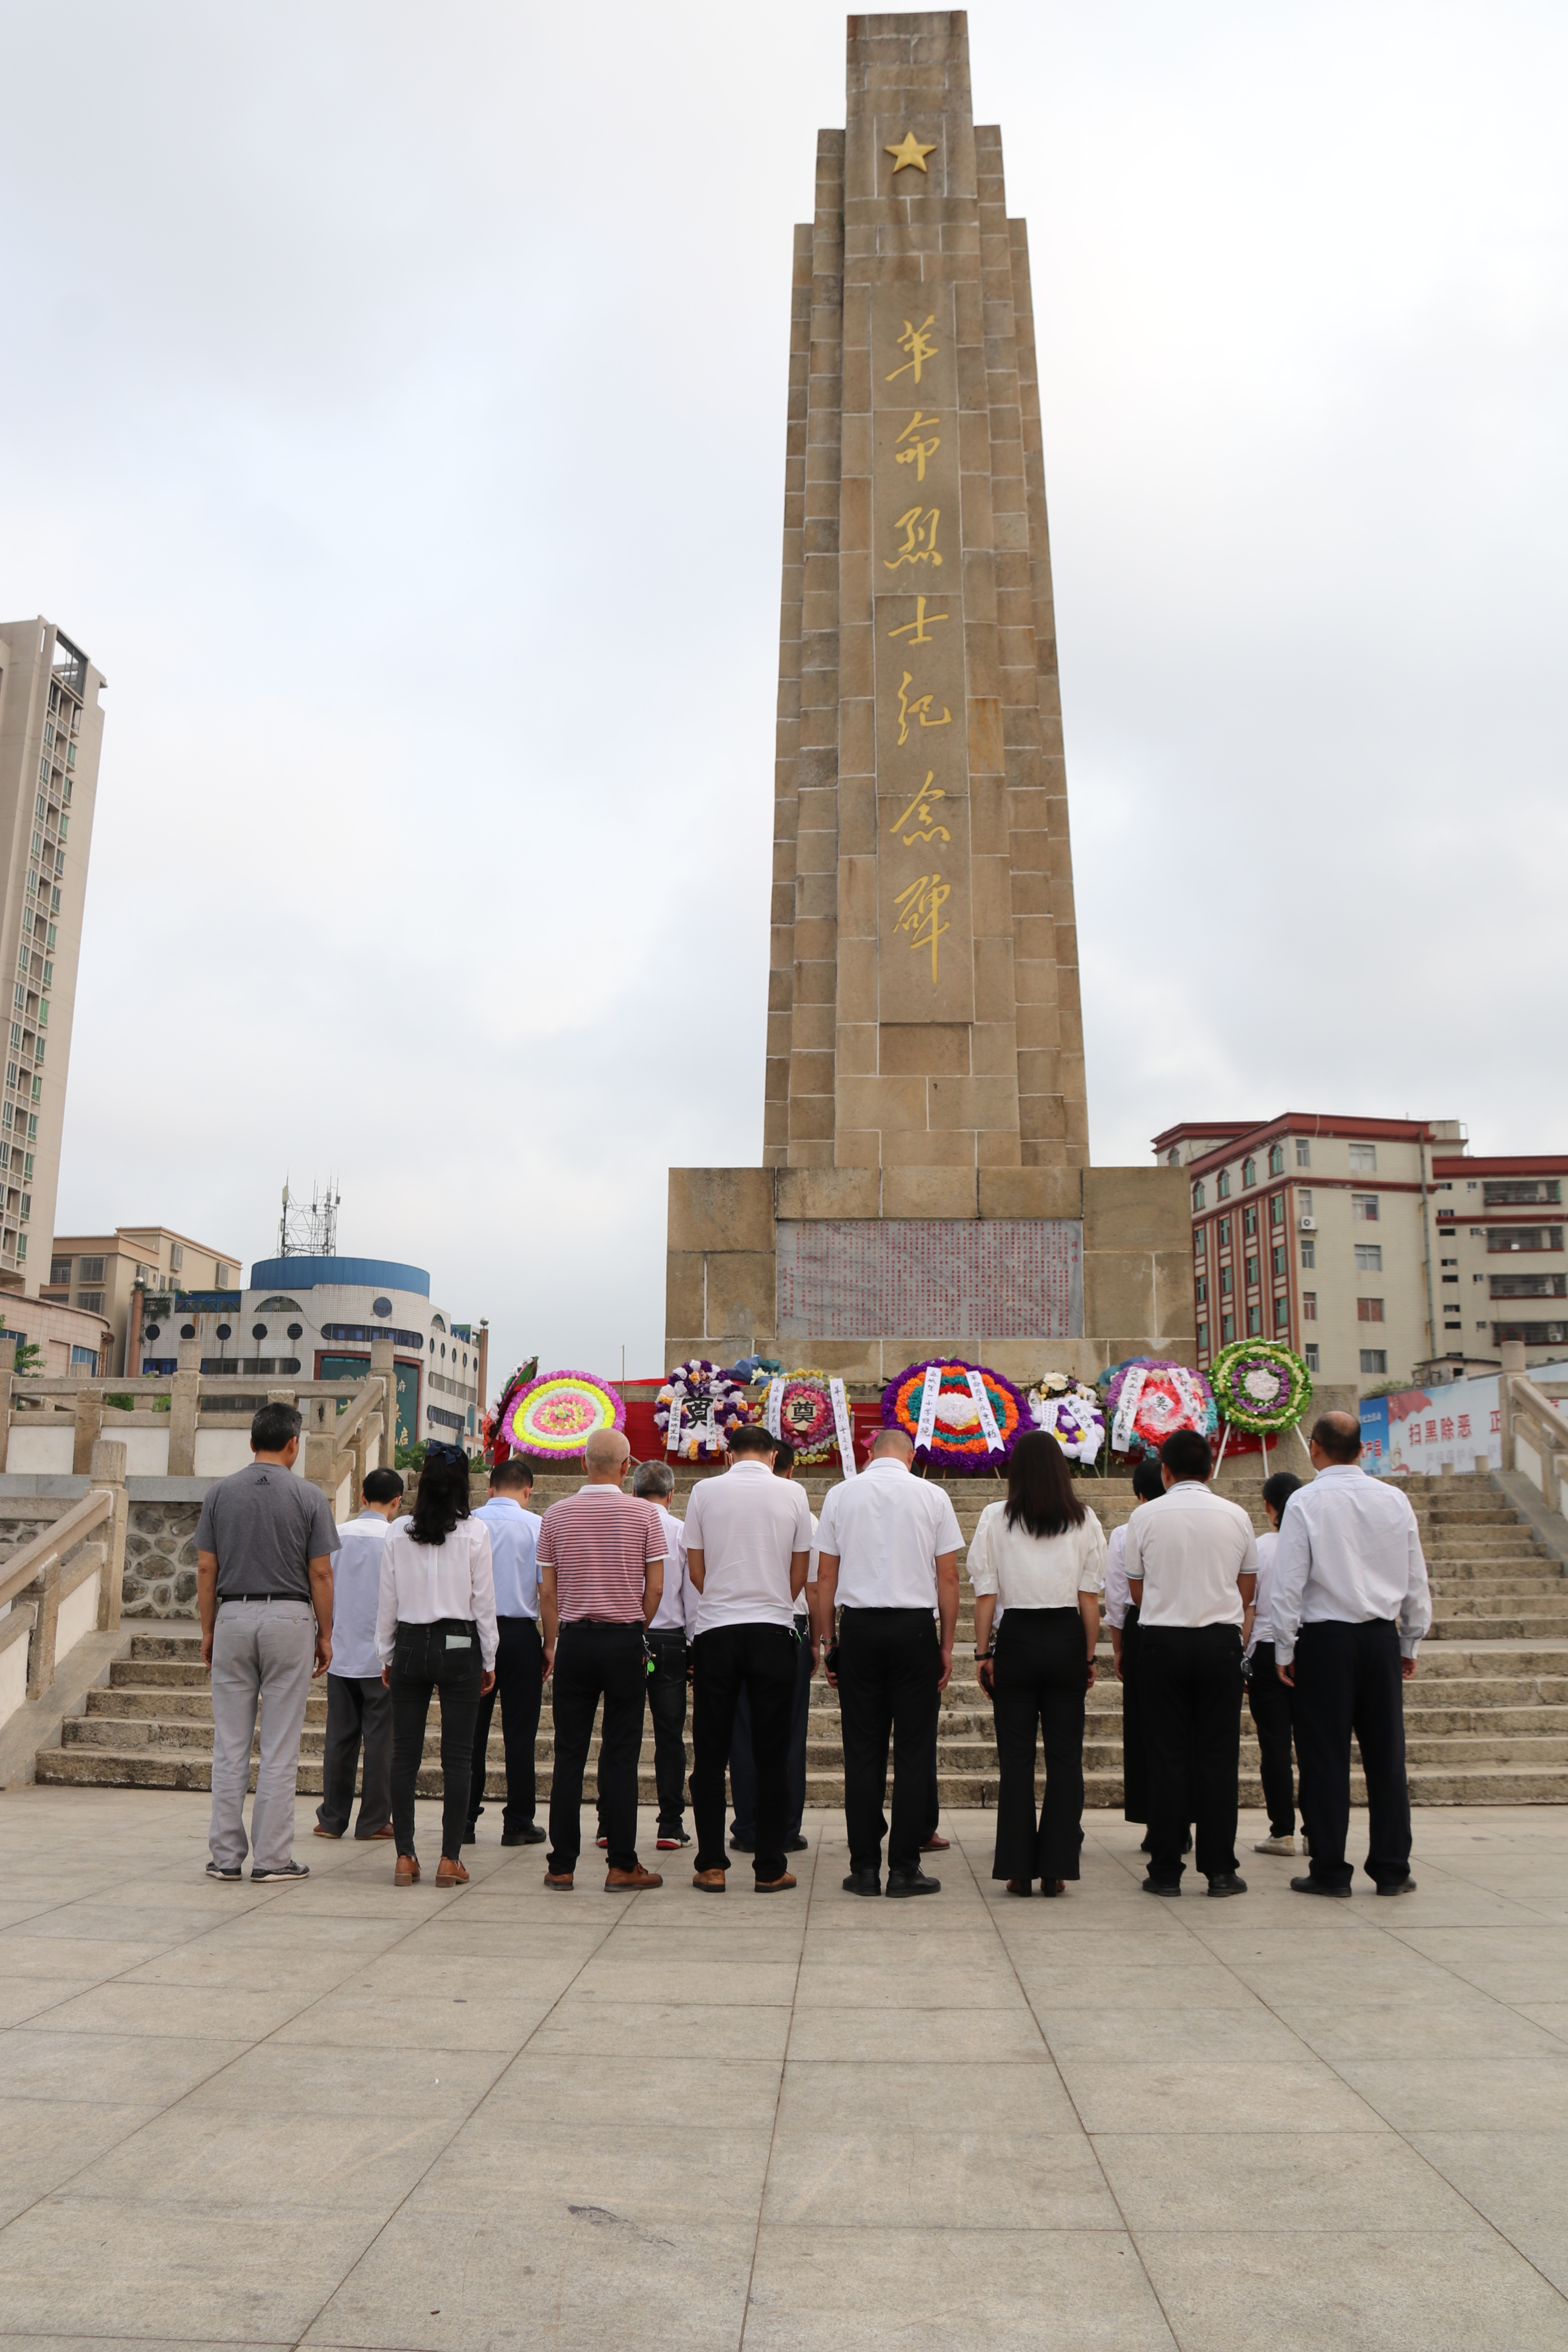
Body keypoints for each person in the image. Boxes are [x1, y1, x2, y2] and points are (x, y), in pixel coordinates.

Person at [1270, 1412, 1431, 1897]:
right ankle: (1390, 1868)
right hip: (1379, 1637)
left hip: (1325, 1641)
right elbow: (1414, 1577)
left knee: (1324, 1757)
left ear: (1315, 1447)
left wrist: (1283, 1646)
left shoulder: (1305, 1501)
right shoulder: (1394, 1499)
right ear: (1361, 1448)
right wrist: (1409, 1641)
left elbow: (1289, 1582)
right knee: (1386, 1756)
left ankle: (1330, 1870)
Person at [815, 1427, 961, 1898]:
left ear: (870, 1453)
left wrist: (829, 1642)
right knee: (914, 1752)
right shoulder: (932, 1495)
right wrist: (946, 1645)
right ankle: (904, 1868)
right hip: (915, 1630)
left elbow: (824, 1577)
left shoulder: (840, 1495)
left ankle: (863, 1869)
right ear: (911, 1456)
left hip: (859, 1630)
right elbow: (950, 1579)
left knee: (863, 1753)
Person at [197, 1402, 340, 1883]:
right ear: (293, 1443)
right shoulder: (309, 1496)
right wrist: (327, 1633)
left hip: (233, 1614)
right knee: (279, 1747)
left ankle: (225, 1857)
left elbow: (205, 1569)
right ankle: (274, 1859)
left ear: (252, 1441)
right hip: (290, 1616)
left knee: (230, 1745)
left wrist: (209, 1630)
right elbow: (320, 1571)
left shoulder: (220, 1493)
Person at [970, 1430, 1106, 1895]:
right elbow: (1090, 1599)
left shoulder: (995, 1517)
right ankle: (1057, 1868)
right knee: (1066, 1759)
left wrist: (983, 1652)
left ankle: (1017, 1868)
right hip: (1067, 1636)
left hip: (1018, 1640)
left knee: (1017, 1760)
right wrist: (1089, 1656)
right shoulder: (1084, 1519)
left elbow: (986, 1594)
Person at [1125, 1426, 1256, 1897]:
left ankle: (1164, 1870)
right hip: (1220, 1644)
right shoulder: (1237, 1515)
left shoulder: (1145, 1517)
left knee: (1166, 1757)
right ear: (1208, 1470)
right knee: (1218, 1758)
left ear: (1165, 1471)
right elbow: (1248, 1588)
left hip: (1161, 1644)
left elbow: (1136, 1591)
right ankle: (1220, 1870)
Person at [535, 1426, 667, 1892]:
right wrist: (639, 1626)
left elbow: (547, 1591)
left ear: (583, 1464)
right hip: (624, 1640)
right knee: (622, 1753)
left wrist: (552, 1642)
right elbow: (655, 1587)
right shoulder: (645, 1516)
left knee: (569, 1753)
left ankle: (561, 1864)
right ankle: (622, 1863)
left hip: (574, 1640)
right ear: (626, 1468)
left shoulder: (555, 1515)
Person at [685, 1423, 813, 1893]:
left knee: (711, 1753)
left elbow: (695, 1568)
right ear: (773, 1454)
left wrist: (723, 1598)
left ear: (728, 1453)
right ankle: (769, 1866)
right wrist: (774, 1601)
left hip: (716, 1630)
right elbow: (800, 1570)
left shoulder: (703, 1491)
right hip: (773, 1630)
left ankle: (712, 1864)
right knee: (771, 1754)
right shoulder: (793, 1494)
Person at [377, 1445, 497, 1888]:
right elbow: (484, 1601)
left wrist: (385, 1652)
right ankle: (450, 1858)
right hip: (460, 1641)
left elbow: (386, 1600)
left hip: (409, 1641)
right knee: (458, 1757)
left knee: (404, 1754)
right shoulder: (475, 1532)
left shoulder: (397, 1533)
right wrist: (490, 1656)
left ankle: (405, 1856)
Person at [728, 1438, 813, 1860]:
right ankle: (783, 1828)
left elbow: (697, 1568)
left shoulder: (719, 1499)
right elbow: (812, 1581)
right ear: (785, 1466)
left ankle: (747, 1825)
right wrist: (817, 1638)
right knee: (787, 1734)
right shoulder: (799, 1504)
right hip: (785, 1626)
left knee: (742, 1732)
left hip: (728, 1625)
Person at [314, 1466, 405, 1844]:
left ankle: (332, 1818)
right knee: (381, 1742)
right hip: (383, 1656)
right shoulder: (397, 1538)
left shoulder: (338, 1533)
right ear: (397, 1502)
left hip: (341, 1650)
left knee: (339, 1737)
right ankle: (373, 1821)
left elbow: (321, 1583)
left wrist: (324, 1635)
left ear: (362, 1498)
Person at [464, 1458, 546, 1847]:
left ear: (490, 1488)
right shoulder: (538, 1526)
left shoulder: (469, 1523)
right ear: (528, 1491)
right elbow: (548, 1591)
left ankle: (463, 1820)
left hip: (471, 1634)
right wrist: (551, 1643)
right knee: (520, 1733)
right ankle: (518, 1821)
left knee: (470, 1732)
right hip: (519, 1635)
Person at [1105, 1456, 1166, 1844]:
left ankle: (1154, 1822)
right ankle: (1185, 1818)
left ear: (1139, 1494)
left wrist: (1118, 1648)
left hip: (1143, 1629)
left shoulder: (1126, 1532)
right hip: (1198, 1625)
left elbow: (1116, 1595)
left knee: (1147, 1730)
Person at [1246, 1469, 1305, 1857]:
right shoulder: (1316, 1543)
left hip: (1267, 1650)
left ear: (1269, 1506)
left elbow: (1247, 1607)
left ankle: (1282, 1830)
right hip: (1311, 1648)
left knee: (1275, 1747)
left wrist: (1244, 1655)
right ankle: (1317, 1830)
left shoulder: (1260, 1548)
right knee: (1317, 1745)